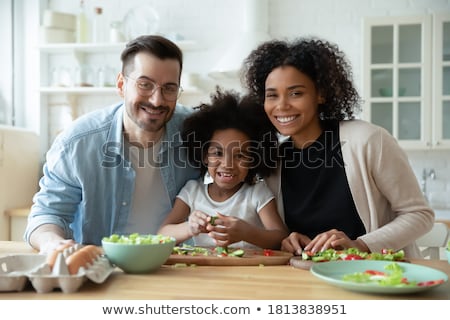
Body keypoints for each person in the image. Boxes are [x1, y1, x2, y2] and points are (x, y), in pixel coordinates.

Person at [241, 37, 434, 258]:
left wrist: (359, 245)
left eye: (296, 93)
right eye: (272, 95)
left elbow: (419, 215)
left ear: (321, 94)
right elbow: (279, 232)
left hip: (375, 277)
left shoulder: (368, 140)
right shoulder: (273, 162)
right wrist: (289, 238)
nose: (282, 105)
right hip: (304, 280)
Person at [25, 35, 199, 253]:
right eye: (145, 85)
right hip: (104, 269)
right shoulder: (77, 143)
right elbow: (46, 215)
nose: (157, 100)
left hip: (179, 265)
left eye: (169, 88)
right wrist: (53, 243)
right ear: (121, 85)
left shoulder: (196, 131)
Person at [158, 89, 288, 249]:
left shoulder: (257, 193)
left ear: (253, 159)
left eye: (240, 155)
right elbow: (162, 234)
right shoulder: (192, 192)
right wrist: (189, 228)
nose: (227, 164)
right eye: (218, 153)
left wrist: (247, 233)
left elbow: (280, 237)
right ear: (205, 156)